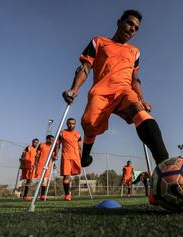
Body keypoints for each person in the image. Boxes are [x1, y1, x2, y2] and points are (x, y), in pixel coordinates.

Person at [61, 9, 169, 204]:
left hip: (124, 92)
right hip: (101, 91)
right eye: (129, 24)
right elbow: (85, 68)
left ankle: (165, 166)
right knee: (89, 123)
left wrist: (142, 99)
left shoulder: (135, 51)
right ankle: (85, 156)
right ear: (119, 22)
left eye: (136, 28)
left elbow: (135, 79)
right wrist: (73, 89)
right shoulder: (99, 42)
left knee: (140, 113)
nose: (132, 29)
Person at [56, 118, 82, 201]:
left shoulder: (78, 134)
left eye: (73, 123)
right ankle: (67, 195)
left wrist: (82, 158)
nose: (71, 125)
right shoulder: (62, 133)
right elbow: (57, 145)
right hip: (66, 156)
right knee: (66, 176)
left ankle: (69, 192)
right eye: (69, 123)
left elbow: (79, 147)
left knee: (72, 176)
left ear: (75, 124)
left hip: (76, 157)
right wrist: (55, 154)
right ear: (67, 124)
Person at [34, 135, 57, 200]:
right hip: (41, 164)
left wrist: (54, 164)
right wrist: (35, 162)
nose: (52, 141)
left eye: (53, 140)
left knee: (45, 180)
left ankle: (42, 195)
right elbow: (37, 155)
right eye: (51, 140)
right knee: (40, 179)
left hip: (48, 165)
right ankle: (34, 194)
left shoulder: (52, 147)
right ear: (47, 139)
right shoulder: (41, 145)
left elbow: (53, 156)